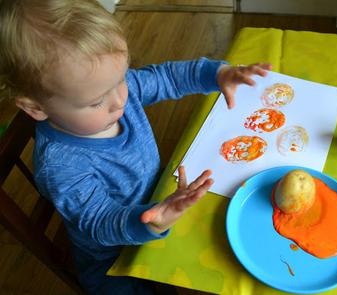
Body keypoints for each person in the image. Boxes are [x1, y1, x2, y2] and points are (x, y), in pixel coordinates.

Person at [0, 0, 271, 293]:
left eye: (121, 79)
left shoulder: (110, 91)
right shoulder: (61, 166)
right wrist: (152, 223)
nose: (120, 100)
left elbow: (166, 78)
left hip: (159, 196)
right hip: (113, 257)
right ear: (36, 107)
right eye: (96, 101)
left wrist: (215, 75)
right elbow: (101, 221)